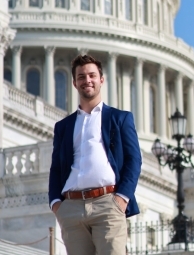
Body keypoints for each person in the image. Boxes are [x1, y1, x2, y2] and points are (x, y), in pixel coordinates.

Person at [48, 54, 142, 255]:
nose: (87, 80)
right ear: (74, 83)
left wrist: (121, 198)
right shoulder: (63, 126)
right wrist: (56, 203)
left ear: (101, 79)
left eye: (92, 75)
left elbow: (134, 160)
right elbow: (56, 167)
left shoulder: (120, 118)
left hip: (107, 203)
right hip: (71, 207)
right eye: (81, 77)